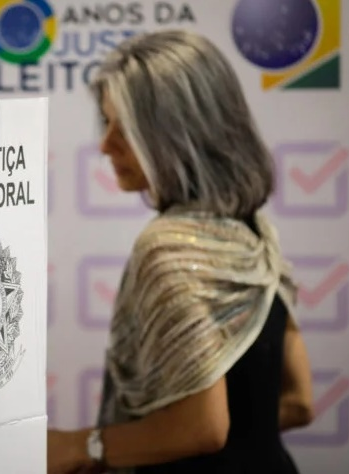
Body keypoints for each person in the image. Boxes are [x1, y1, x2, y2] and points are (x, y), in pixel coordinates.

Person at [47, 30, 315, 474]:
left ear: (180, 134)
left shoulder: (167, 247)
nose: (105, 145)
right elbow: (299, 402)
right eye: (107, 122)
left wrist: (79, 447)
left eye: (125, 128)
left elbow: (201, 429)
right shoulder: (255, 231)